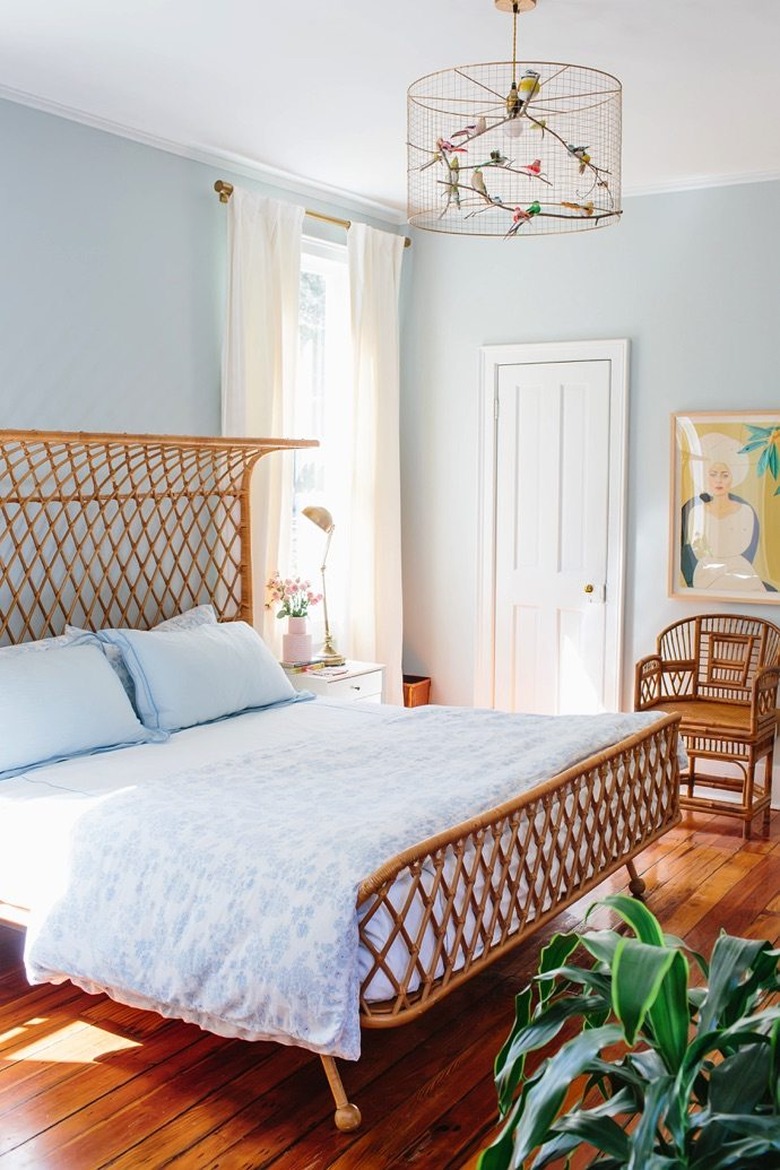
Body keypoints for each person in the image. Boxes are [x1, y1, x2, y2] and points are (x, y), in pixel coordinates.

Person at [680, 432, 773, 593]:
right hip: (706, 573)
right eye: (713, 474)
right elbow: (697, 548)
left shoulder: (745, 511)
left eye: (725, 475)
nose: (718, 480)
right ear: (705, 476)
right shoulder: (696, 512)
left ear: (733, 477)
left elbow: (742, 545)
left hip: (739, 569)